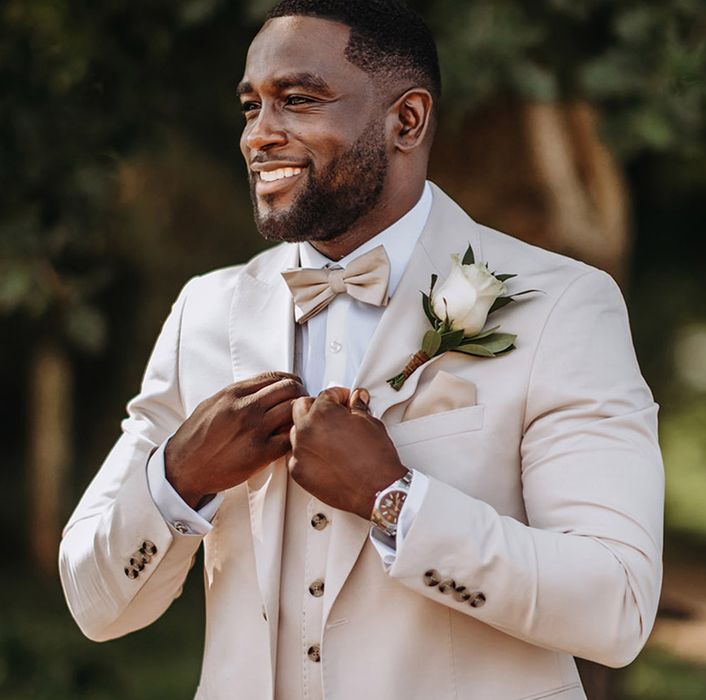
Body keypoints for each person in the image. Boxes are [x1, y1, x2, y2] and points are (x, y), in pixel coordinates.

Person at [59, 1, 664, 698]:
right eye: (251, 107)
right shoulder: (207, 309)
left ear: (406, 120)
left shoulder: (558, 306)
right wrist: (177, 476)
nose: (260, 134)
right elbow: (93, 604)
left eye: (297, 101)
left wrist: (394, 500)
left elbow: (616, 606)